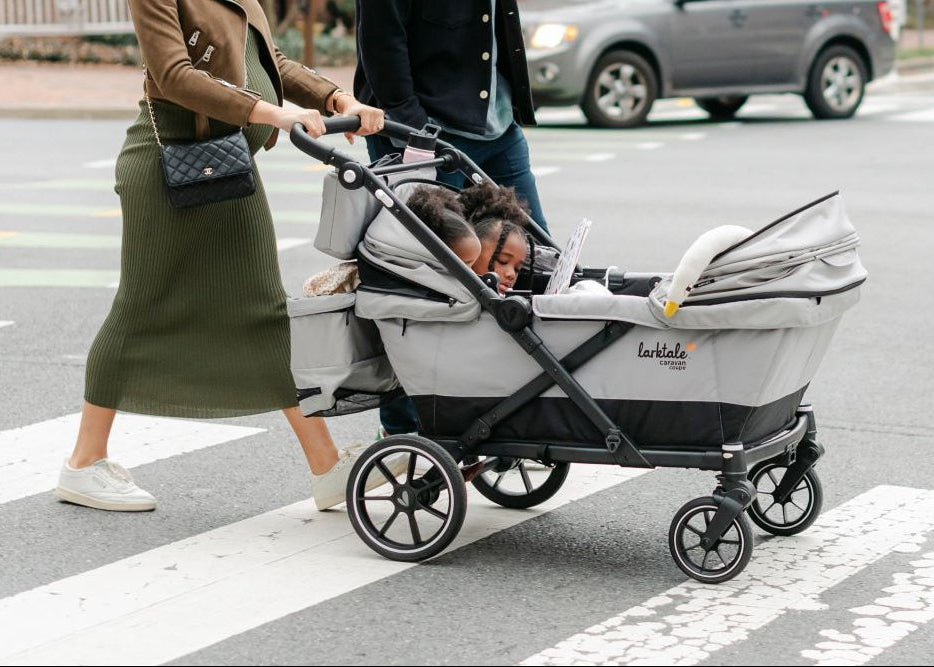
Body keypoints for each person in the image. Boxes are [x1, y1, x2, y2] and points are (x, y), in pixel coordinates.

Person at [54, 0, 387, 513]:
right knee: (142, 306)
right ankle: (83, 463)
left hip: (228, 164)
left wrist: (336, 95)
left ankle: (326, 467)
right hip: (168, 168)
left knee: (268, 313)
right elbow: (174, 75)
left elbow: (269, 60)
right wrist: (278, 113)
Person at [352, 0, 548, 234]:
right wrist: (416, 131)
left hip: (499, 127)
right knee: (430, 255)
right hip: (427, 133)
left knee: (534, 247)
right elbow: (382, 41)